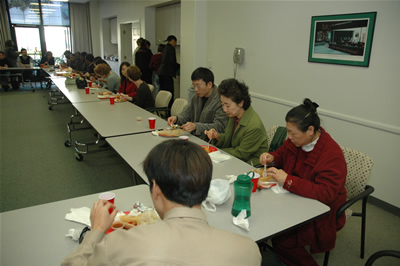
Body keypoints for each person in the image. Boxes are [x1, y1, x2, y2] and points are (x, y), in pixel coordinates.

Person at [61, 139, 261, 265]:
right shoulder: (249, 251)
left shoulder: (116, 246)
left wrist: (96, 230)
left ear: (156, 189)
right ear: (206, 186)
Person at [259, 98, 347, 266]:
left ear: (310, 131)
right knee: (264, 214)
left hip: (322, 210)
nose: (289, 137)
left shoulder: (331, 155)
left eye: (293, 133)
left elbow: (326, 194)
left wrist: (288, 180)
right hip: (296, 197)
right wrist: (271, 157)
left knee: (283, 239)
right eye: (288, 132)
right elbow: (282, 154)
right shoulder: (296, 141)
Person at [204, 78, 268, 165]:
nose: (224, 109)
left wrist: (216, 152)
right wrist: (217, 136)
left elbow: (241, 154)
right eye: (222, 104)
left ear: (241, 103)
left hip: (250, 166)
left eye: (227, 105)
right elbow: (228, 139)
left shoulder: (254, 126)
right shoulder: (234, 115)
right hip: (235, 159)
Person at [168, 67, 228, 141]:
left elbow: (220, 126)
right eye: (194, 85)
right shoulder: (196, 97)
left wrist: (196, 126)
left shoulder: (220, 100)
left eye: (198, 86)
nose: (195, 89)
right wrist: (177, 118)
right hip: (194, 137)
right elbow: (187, 113)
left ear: (209, 84)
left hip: (209, 141)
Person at [158, 35, 180, 107]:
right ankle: (169, 109)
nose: (175, 44)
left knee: (164, 93)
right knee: (170, 93)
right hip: (167, 73)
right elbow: (172, 61)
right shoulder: (171, 48)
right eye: (175, 42)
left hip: (161, 72)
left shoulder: (165, 48)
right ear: (173, 40)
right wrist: (178, 66)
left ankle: (163, 107)